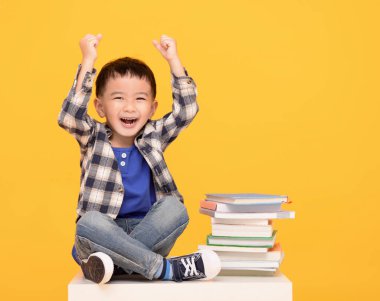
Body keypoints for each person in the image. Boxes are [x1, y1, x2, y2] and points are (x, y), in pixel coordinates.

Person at [58, 33, 221, 284]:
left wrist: (173, 60)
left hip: (147, 231)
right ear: (100, 107)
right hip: (103, 234)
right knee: (88, 223)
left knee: (175, 209)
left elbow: (186, 110)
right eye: (119, 98)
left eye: (140, 99)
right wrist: (88, 60)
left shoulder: (154, 135)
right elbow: (69, 116)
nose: (130, 107)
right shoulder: (93, 136)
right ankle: (164, 269)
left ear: (153, 108)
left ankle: (113, 265)